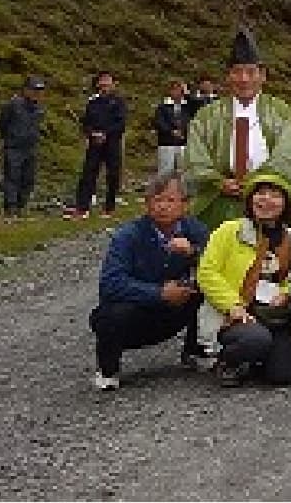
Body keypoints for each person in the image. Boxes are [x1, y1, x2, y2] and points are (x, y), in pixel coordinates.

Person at [89, 174, 210, 389]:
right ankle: (108, 369)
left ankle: (196, 350)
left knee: (206, 292)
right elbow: (111, 284)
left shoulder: (196, 230)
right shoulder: (127, 236)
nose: (163, 206)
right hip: (138, 311)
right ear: (147, 204)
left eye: (170, 200)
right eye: (157, 200)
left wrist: (193, 253)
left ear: (185, 205)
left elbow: (217, 269)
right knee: (109, 315)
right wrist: (159, 293)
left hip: (176, 310)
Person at [185, 28, 291, 231]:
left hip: (267, 197)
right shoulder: (207, 116)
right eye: (237, 72)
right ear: (228, 76)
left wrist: (256, 182)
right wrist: (219, 182)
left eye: (251, 72)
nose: (244, 79)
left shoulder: (280, 112)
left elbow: (288, 157)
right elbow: (195, 159)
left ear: (263, 76)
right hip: (219, 200)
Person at [195, 171, 291, 386]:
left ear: (286, 203)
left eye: (275, 195)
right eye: (260, 193)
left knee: (284, 375)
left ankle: (256, 361)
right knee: (255, 340)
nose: (266, 200)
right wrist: (232, 305)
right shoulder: (228, 231)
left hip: (274, 316)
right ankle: (227, 362)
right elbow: (207, 272)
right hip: (235, 315)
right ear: (250, 199)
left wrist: (286, 293)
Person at [73, 70, 128, 219]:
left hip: (112, 142)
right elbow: (85, 123)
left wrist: (105, 134)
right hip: (94, 143)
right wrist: (92, 134)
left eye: (108, 81)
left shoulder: (118, 102)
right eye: (102, 81)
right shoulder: (92, 102)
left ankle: (109, 208)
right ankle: (82, 207)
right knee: (88, 173)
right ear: (98, 84)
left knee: (113, 175)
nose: (105, 84)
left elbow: (121, 123)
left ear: (113, 84)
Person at [0, 76, 47, 217]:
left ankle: (21, 207)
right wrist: (10, 138)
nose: (36, 93)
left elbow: (38, 126)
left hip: (31, 148)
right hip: (14, 147)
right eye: (34, 89)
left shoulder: (39, 108)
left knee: (28, 179)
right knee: (12, 177)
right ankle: (10, 209)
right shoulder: (12, 104)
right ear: (25, 89)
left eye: (39, 90)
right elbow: (2, 123)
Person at [153, 80, 191, 179]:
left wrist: (187, 92)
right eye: (175, 89)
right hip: (167, 143)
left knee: (183, 172)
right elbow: (159, 122)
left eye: (180, 90)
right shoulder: (163, 106)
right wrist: (171, 131)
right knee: (166, 171)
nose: (178, 92)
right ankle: (163, 188)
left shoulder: (188, 106)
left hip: (183, 143)